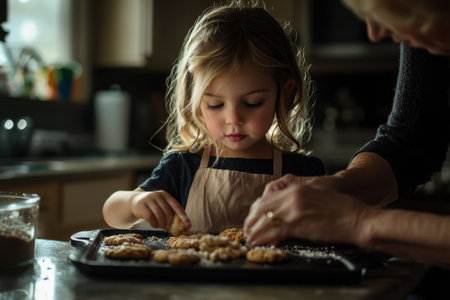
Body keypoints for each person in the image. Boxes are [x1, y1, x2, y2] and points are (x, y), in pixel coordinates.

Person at [244, 0, 450, 268]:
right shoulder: (424, 34)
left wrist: (358, 222)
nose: (375, 34)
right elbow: (407, 143)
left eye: (394, 9)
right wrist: (336, 187)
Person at [102, 0, 325, 234]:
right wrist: (133, 203)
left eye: (252, 103)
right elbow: (112, 214)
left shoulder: (303, 173)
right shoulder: (182, 167)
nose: (233, 119)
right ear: (194, 98)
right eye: (215, 104)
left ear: (286, 92)